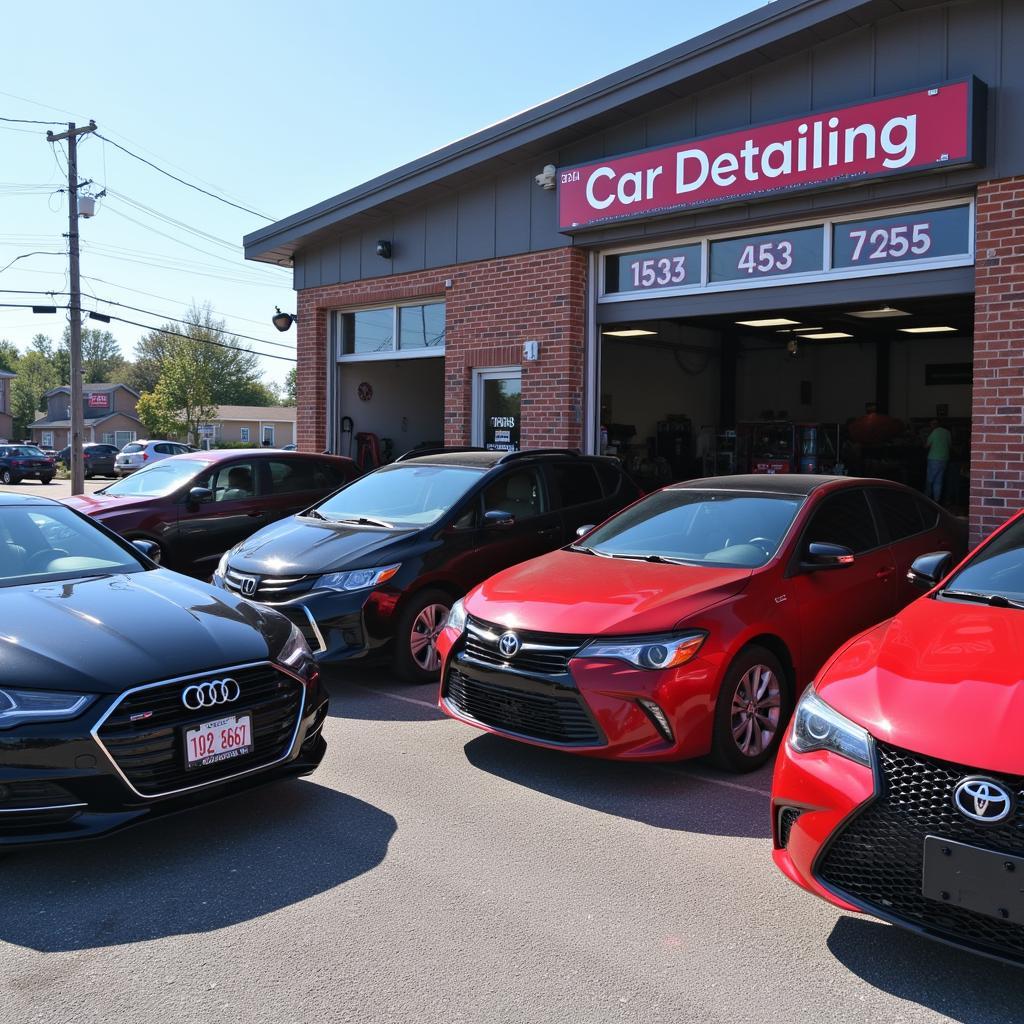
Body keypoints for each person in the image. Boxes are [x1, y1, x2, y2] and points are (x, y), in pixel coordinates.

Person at [925, 418, 952, 503]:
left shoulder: (934, 432)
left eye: (931, 425)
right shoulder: (947, 432)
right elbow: (950, 445)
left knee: (930, 480)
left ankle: (926, 499)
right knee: (938, 481)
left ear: (933, 425)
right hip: (944, 459)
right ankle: (936, 500)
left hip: (934, 459)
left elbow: (926, 445)